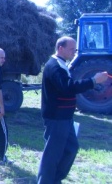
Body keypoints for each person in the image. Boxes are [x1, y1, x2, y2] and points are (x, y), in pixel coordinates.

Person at [37, 36, 108, 183]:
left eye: (75, 49)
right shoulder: (55, 66)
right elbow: (67, 88)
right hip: (56, 117)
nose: (74, 52)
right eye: (71, 49)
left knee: (71, 149)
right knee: (53, 154)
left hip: (65, 117)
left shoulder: (61, 64)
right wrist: (94, 81)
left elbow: (68, 86)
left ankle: (55, 179)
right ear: (60, 48)